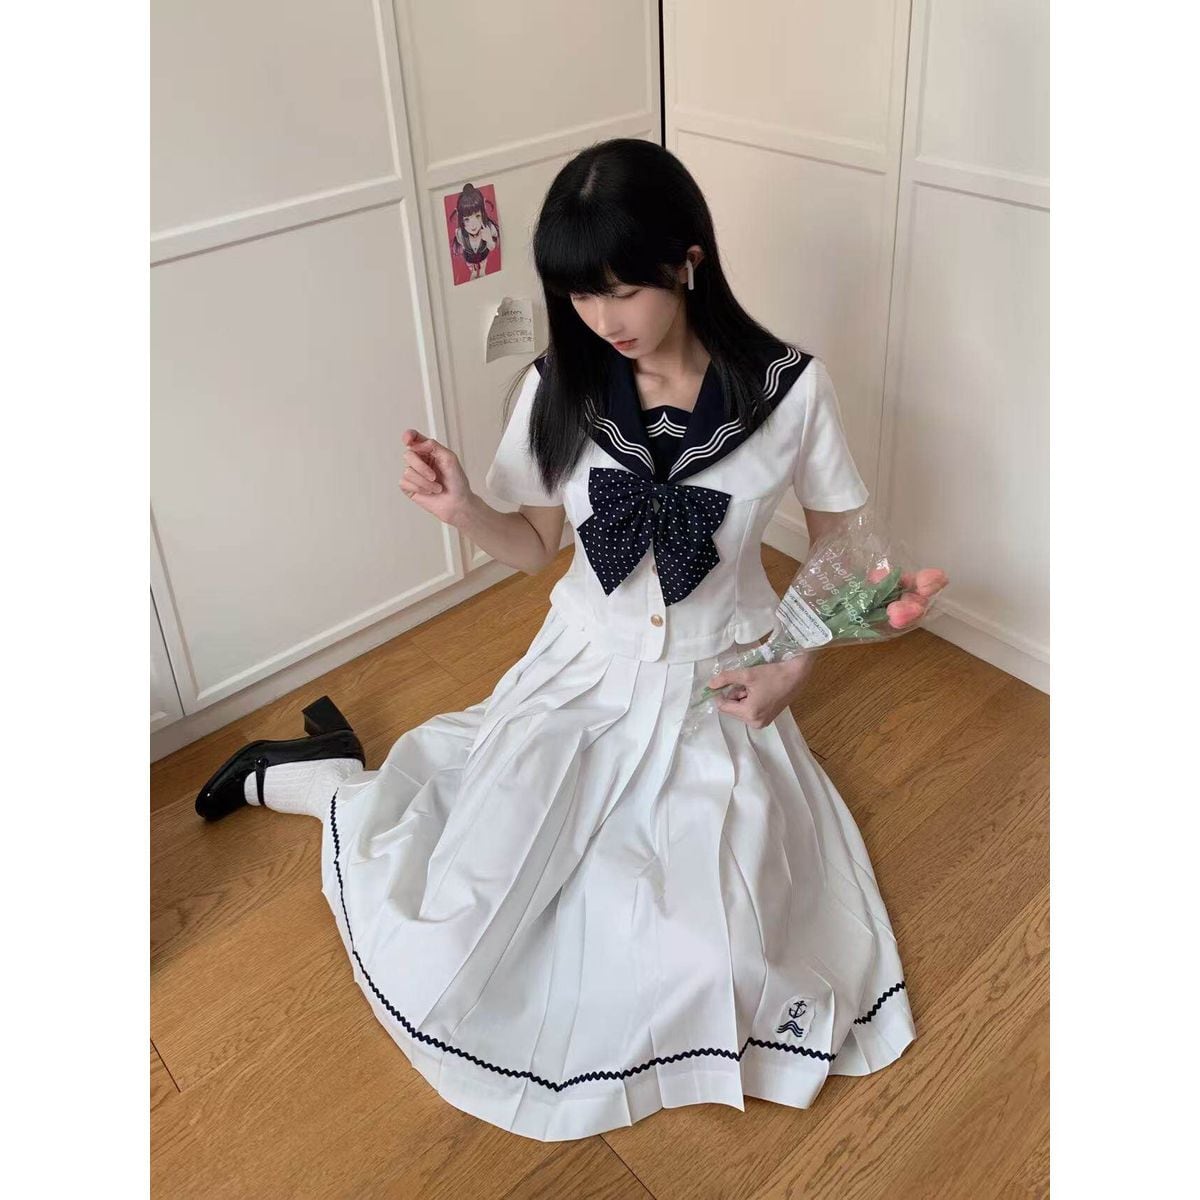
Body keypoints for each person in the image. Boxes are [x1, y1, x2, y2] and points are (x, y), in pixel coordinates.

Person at [193, 138, 923, 1142]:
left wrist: (793, 666)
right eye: (579, 295)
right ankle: (323, 781)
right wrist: (464, 509)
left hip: (722, 692)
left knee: (716, 960)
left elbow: (844, 554)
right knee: (464, 923)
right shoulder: (560, 386)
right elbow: (538, 544)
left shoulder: (793, 393)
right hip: (578, 675)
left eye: (621, 289)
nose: (601, 319)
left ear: (687, 261)